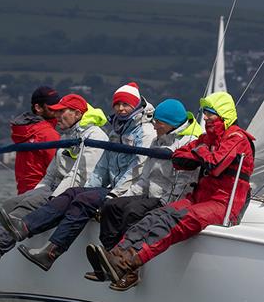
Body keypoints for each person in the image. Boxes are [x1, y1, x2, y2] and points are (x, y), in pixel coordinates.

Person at [0, 94, 108, 273]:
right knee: (11, 203)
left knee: (24, 209)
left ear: (77, 114)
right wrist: (34, 193)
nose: (56, 116)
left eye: (61, 111)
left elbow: (82, 176)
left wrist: (53, 199)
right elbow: (50, 174)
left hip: (69, 192)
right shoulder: (68, 135)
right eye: (56, 111)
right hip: (53, 187)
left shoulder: (95, 136)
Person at [99, 91, 254, 291]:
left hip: (223, 205)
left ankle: (128, 263)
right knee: (156, 216)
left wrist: (199, 151)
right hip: (199, 199)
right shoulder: (208, 138)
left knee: (177, 221)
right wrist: (200, 152)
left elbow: (215, 165)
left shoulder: (237, 138)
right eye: (204, 112)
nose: (205, 117)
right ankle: (116, 255)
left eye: (209, 113)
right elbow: (178, 158)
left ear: (223, 115)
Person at [0, 82, 158, 271]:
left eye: (126, 104)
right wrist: (88, 187)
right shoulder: (117, 131)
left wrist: (113, 195)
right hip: (113, 187)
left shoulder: (145, 132)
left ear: (136, 105)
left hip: (131, 190)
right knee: (74, 193)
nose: (120, 109)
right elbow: (102, 167)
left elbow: (136, 170)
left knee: (84, 199)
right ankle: (26, 228)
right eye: (117, 104)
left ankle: (52, 251)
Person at [84, 99, 202, 281]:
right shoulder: (156, 140)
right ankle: (110, 260)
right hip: (149, 194)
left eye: (159, 123)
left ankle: (128, 270)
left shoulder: (189, 143)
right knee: (112, 207)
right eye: (154, 121)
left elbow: (185, 182)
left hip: (166, 200)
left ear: (171, 124)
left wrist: (167, 205)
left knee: (132, 212)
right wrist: (119, 196)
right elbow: (145, 177)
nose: (154, 126)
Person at [10, 86, 61, 194]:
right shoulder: (47, 134)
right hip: (42, 195)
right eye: (52, 105)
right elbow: (60, 170)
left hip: (23, 194)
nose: (58, 108)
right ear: (38, 108)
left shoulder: (24, 130)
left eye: (59, 104)